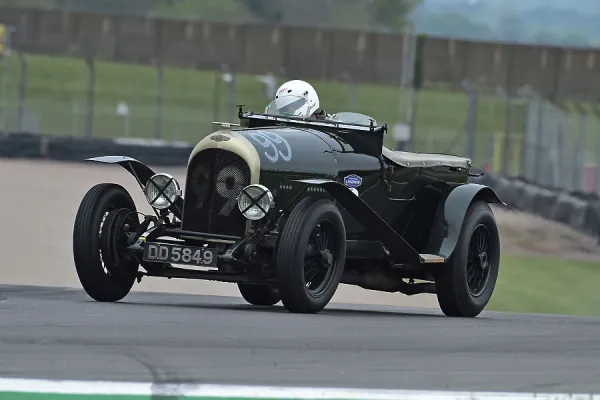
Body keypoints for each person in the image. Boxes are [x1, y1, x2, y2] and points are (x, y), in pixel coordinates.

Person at [265, 79, 330, 119]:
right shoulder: (279, 126)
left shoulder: (326, 127)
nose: (288, 109)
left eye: (293, 104)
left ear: (310, 100)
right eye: (283, 107)